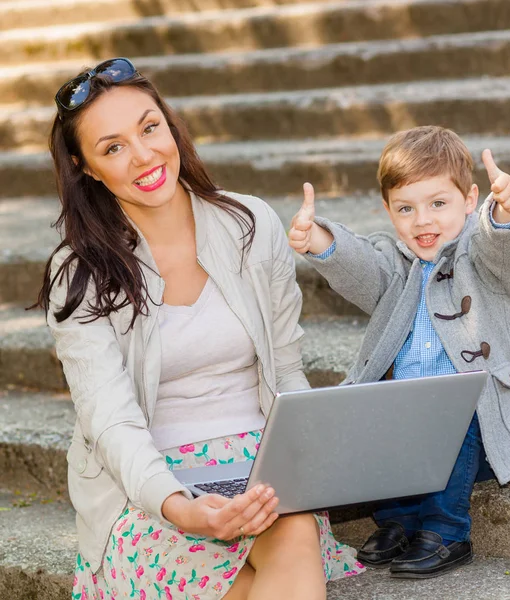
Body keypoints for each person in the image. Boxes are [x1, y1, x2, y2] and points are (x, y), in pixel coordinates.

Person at [35, 57, 365, 600]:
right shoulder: (80, 272)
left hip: (261, 467)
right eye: (113, 147)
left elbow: (286, 373)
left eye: (149, 128)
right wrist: (181, 508)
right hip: (147, 485)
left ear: (169, 124)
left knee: (295, 532)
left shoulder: (251, 225)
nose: (144, 155)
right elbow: (110, 421)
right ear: (86, 167)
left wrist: (307, 464)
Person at [288, 125, 510, 579]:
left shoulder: (481, 257)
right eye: (405, 208)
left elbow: (507, 253)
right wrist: (320, 242)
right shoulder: (397, 262)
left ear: (469, 201)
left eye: (438, 204)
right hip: (408, 423)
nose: (422, 221)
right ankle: (400, 523)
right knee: (380, 412)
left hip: (480, 428)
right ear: (388, 211)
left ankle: (447, 532)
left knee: (452, 412)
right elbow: (362, 269)